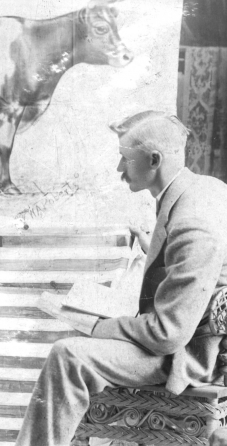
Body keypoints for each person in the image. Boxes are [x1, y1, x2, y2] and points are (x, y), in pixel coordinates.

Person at [16, 111, 227, 446]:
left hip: (184, 356)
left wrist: (98, 326)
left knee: (67, 354)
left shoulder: (193, 224)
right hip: (184, 332)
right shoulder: (201, 188)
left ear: (155, 159)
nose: (119, 170)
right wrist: (157, 248)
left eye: (126, 159)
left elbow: (167, 335)